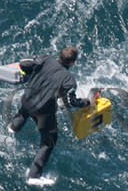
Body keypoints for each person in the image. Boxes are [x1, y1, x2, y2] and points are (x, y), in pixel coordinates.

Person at [9, 46, 99, 183]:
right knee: (48, 142)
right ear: (73, 62)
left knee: (24, 111)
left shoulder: (46, 59)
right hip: (43, 111)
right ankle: (33, 176)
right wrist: (88, 102)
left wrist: (31, 74)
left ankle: (12, 129)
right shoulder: (69, 80)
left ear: (60, 56)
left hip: (27, 98)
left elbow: (23, 64)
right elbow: (71, 101)